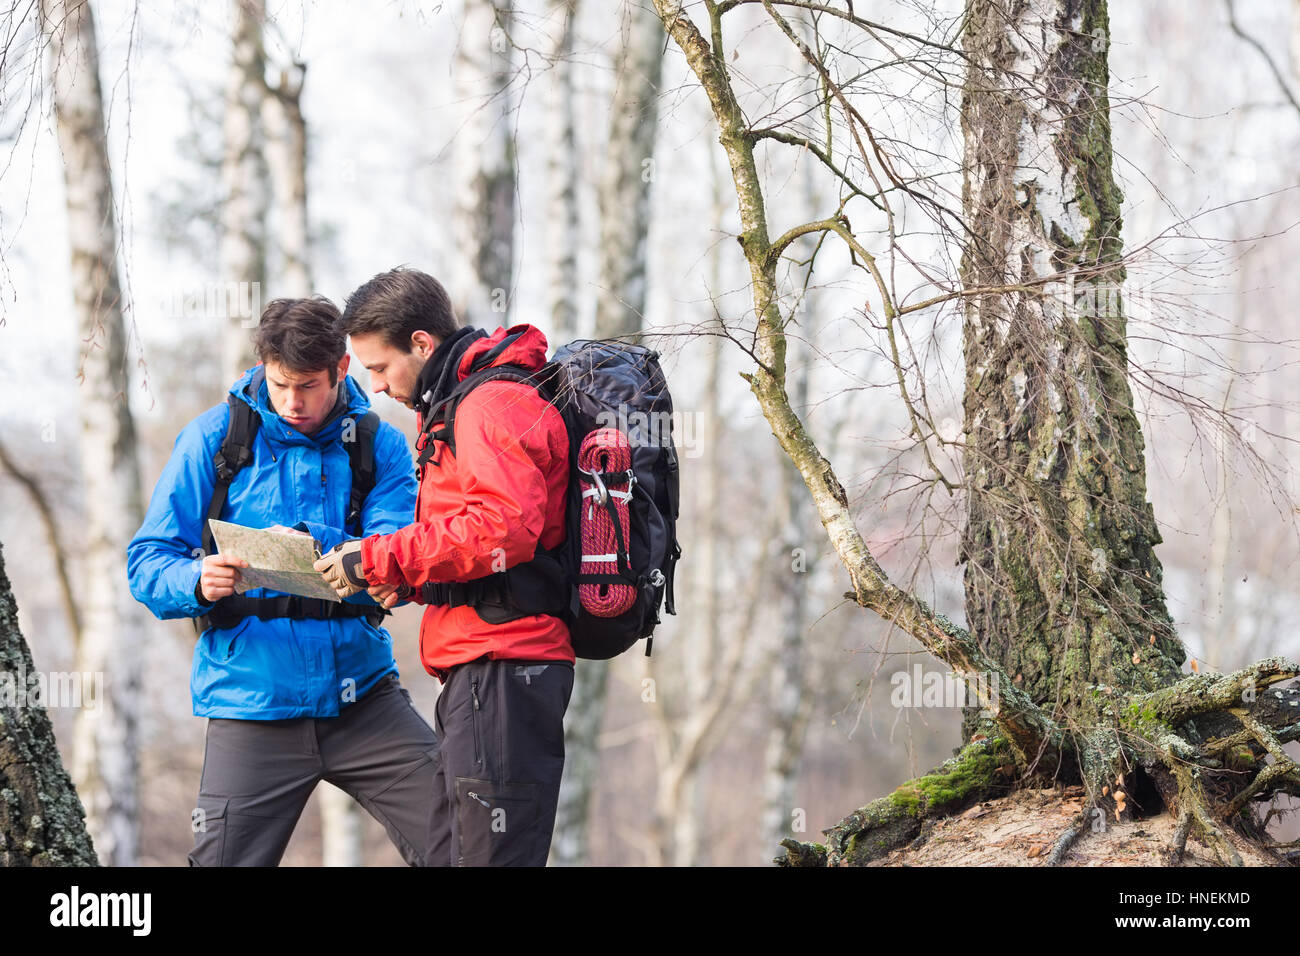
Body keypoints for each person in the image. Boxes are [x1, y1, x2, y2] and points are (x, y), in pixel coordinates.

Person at [127, 296, 447, 867]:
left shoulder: (383, 445)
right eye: (280, 385)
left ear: (341, 370)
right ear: (262, 366)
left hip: (364, 698)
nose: (293, 402)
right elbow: (147, 562)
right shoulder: (212, 440)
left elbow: (391, 549)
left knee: (465, 844)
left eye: (308, 385)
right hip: (251, 702)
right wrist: (197, 578)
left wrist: (355, 561)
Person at [314, 267, 574, 867]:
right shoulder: (464, 403)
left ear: (422, 344)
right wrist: (403, 577)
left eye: (379, 368)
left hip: (506, 668)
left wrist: (382, 554)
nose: (375, 387)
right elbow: (478, 545)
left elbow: (507, 526)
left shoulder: (489, 403)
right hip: (480, 670)